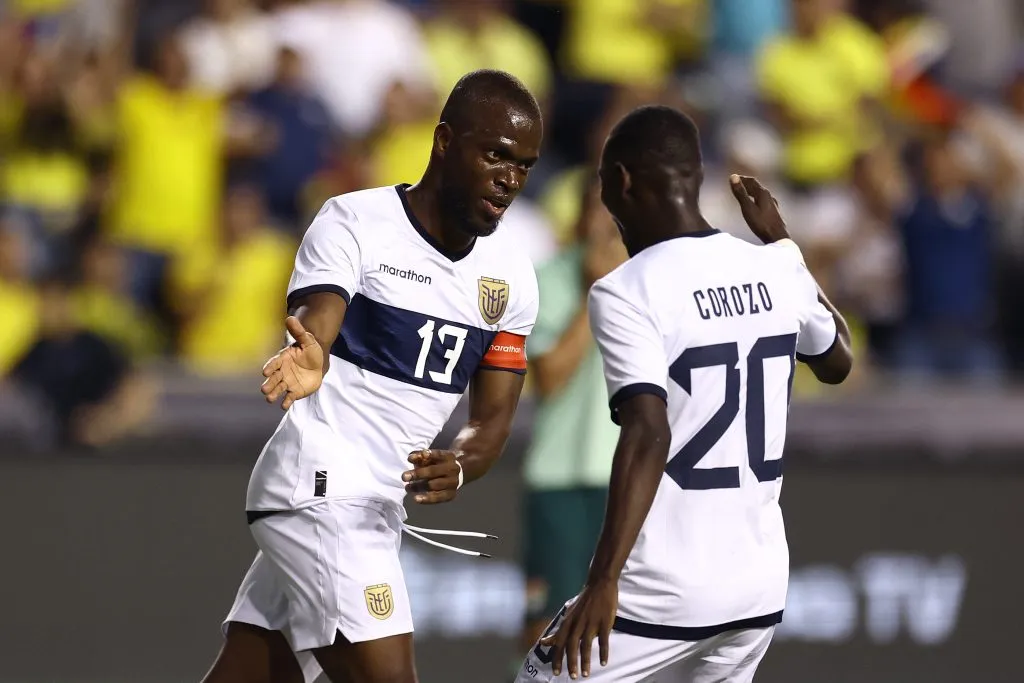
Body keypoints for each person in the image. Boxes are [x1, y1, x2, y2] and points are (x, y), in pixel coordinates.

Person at [201, 69, 543, 683]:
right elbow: (319, 312)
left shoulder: (512, 277)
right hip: (320, 486)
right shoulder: (356, 221)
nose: (510, 178)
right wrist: (312, 352)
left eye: (524, 166)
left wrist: (463, 461)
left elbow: (491, 421)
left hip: (375, 508)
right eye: (495, 155)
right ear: (444, 140)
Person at [516, 105, 853, 682]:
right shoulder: (776, 267)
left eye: (602, 181)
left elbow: (648, 430)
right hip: (758, 586)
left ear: (621, 182)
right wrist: (783, 245)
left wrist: (602, 581)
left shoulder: (626, 288)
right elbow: (838, 360)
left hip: (665, 589)